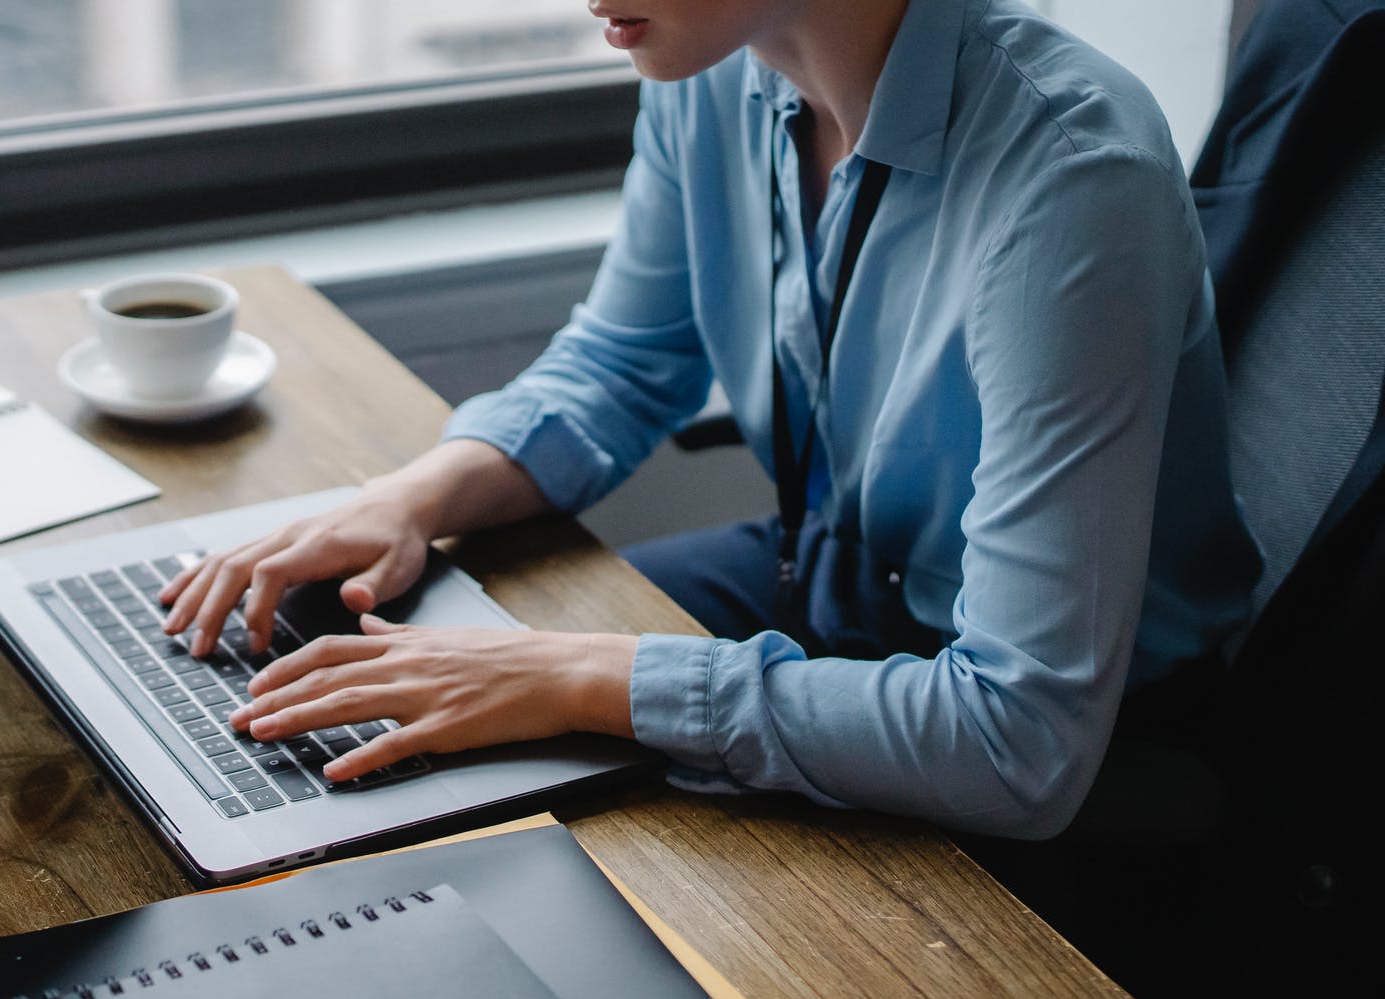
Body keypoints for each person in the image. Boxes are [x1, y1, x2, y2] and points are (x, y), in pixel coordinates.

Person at [159, 0, 1257, 840]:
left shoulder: (1071, 173)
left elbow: (1019, 740)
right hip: (828, 583)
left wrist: (577, 676)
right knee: (328, 725)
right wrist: (411, 496)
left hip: (1059, 728)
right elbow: (626, 360)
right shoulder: (714, 64)